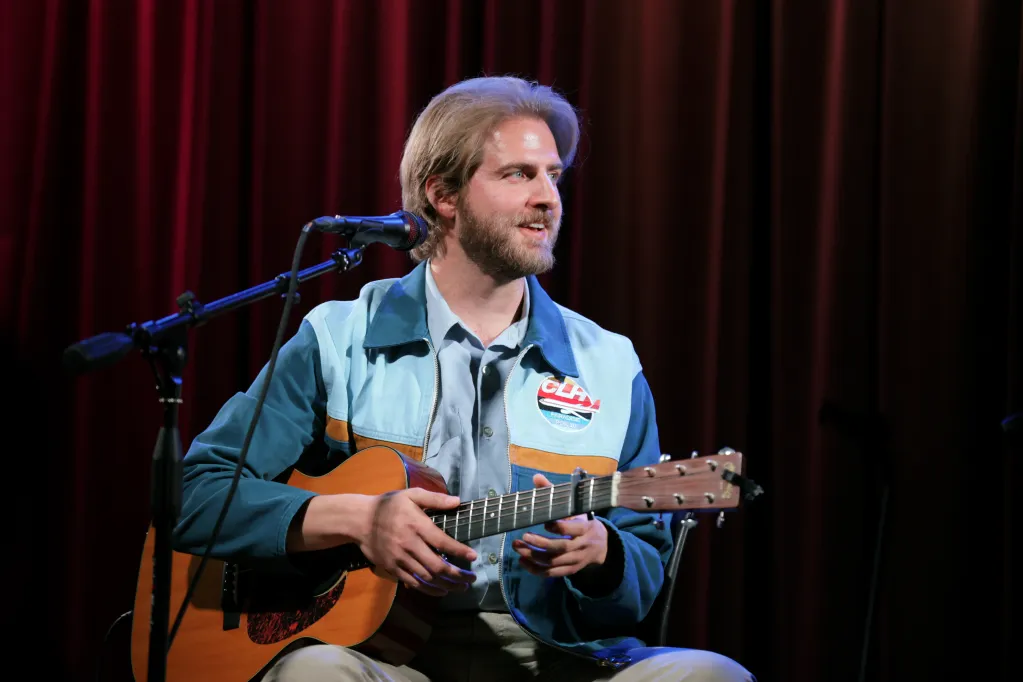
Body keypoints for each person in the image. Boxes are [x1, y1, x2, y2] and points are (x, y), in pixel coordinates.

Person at [173, 76, 755, 682]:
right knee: (314, 673)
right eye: (518, 174)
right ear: (443, 195)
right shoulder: (339, 338)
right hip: (379, 655)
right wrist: (355, 520)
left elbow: (640, 579)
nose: (548, 198)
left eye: (553, 175)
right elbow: (196, 494)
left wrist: (605, 557)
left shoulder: (610, 363)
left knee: (713, 676)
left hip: (553, 658)